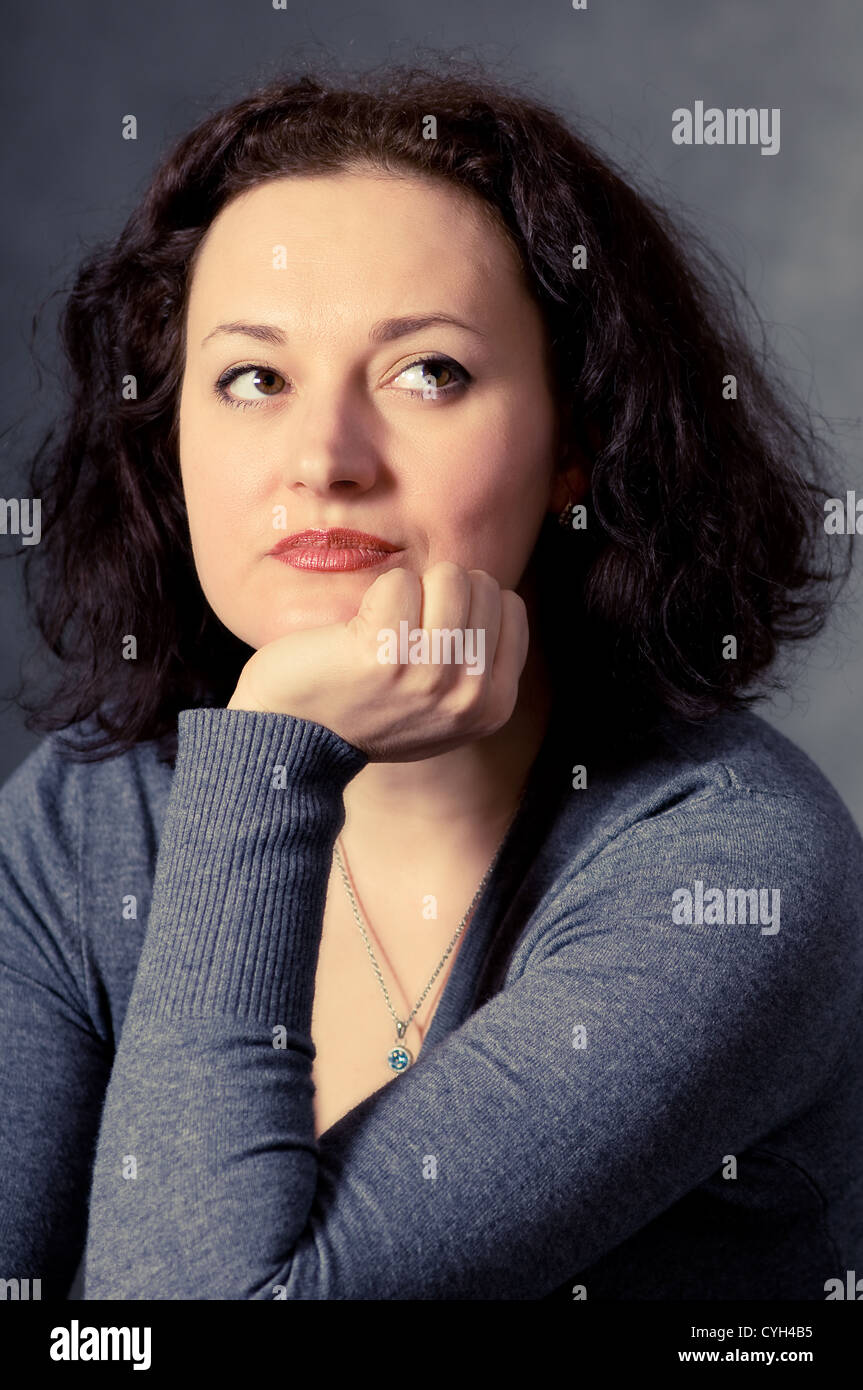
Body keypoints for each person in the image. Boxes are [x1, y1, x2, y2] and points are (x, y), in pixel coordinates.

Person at [1, 63, 861, 1301]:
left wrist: (272, 754)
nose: (324, 458)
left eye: (427, 373)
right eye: (254, 376)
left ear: (575, 442)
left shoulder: (730, 871)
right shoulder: (86, 816)